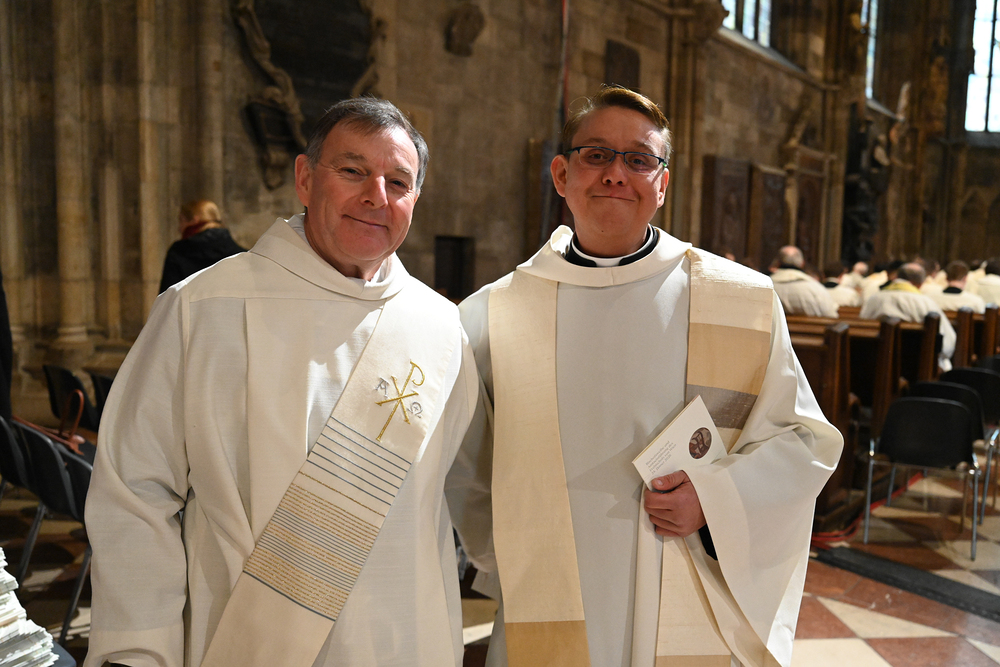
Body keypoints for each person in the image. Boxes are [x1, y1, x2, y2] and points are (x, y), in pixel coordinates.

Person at [85, 98, 483, 667]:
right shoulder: (202, 308)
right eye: (352, 170)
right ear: (304, 178)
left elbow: (465, 486)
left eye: (398, 181)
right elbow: (136, 491)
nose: (377, 196)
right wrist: (138, 650)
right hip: (244, 640)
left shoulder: (441, 328)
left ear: (414, 199)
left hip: (405, 642)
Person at [456, 86, 842, 667]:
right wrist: (515, 557)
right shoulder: (492, 314)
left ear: (662, 184)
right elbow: (467, 467)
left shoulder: (742, 301)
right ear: (561, 174)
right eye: (596, 155)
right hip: (546, 589)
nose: (616, 174)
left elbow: (805, 441)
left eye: (638, 159)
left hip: (686, 574)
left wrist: (715, 499)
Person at [860, 262, 957, 371]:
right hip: (917, 367)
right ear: (920, 284)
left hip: (874, 364)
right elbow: (948, 343)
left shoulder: (873, 299)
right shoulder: (925, 303)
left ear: (897, 277)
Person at [158, 199, 246, 293]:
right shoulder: (242, 255)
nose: (179, 228)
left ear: (195, 220)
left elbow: (168, 296)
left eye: (181, 221)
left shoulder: (179, 252)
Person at [770, 246, 840, 317]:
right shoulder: (815, 288)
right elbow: (831, 316)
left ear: (777, 263)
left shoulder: (768, 285)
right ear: (802, 263)